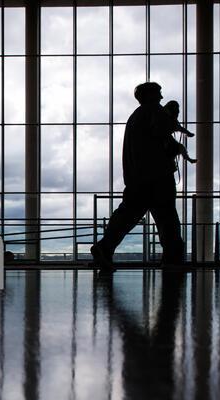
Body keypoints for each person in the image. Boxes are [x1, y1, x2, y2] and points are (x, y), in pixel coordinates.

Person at [90, 82, 188, 271]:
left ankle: (105, 247)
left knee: (126, 216)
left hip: (138, 178)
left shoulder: (135, 117)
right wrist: (176, 147)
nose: (161, 97)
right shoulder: (155, 112)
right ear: (151, 96)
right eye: (158, 94)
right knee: (167, 218)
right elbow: (162, 135)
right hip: (158, 177)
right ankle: (173, 259)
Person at [163, 100, 197, 165]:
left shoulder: (168, 117)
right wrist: (188, 133)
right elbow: (179, 128)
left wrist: (188, 133)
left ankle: (188, 159)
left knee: (180, 147)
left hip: (166, 140)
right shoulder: (169, 120)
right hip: (166, 140)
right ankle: (188, 159)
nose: (178, 113)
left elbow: (178, 128)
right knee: (180, 147)